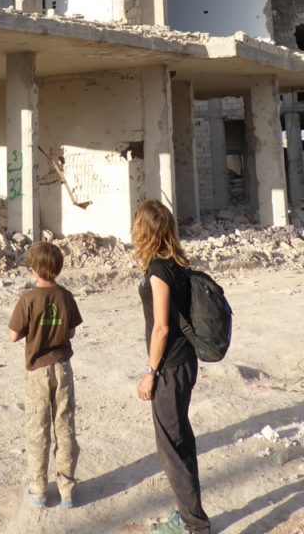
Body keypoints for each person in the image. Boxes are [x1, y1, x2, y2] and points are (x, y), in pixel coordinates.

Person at [133, 199, 210, 534]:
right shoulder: (176, 263)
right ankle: (189, 515)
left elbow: (162, 327)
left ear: (144, 231)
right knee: (181, 441)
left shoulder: (159, 271)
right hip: (184, 363)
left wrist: (150, 373)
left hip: (171, 368)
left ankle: (194, 525)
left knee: (172, 450)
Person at [8, 241, 82, 509]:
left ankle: (38, 488)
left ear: (33, 268)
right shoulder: (66, 296)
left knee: (38, 428)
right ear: (58, 268)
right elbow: (72, 331)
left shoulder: (27, 299)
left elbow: (13, 336)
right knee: (65, 426)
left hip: (37, 371)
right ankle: (67, 490)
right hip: (63, 367)